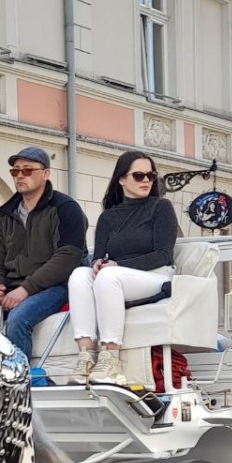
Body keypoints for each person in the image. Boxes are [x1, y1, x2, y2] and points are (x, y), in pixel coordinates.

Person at [68, 150, 179, 386]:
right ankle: (86, 356)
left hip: (155, 275)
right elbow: (98, 258)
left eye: (151, 176)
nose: (147, 181)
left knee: (108, 277)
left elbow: (163, 254)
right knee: (79, 275)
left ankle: (111, 360)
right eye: (139, 176)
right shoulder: (108, 216)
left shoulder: (161, 207)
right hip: (118, 276)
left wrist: (115, 265)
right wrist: (98, 264)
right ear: (121, 179)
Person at [0, 146, 86, 361]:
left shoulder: (66, 208)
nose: (20, 175)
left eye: (28, 170)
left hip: (56, 287)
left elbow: (68, 256)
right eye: (15, 171)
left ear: (46, 174)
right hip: (13, 288)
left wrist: (24, 290)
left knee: (18, 318)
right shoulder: (4, 216)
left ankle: (21, 383)